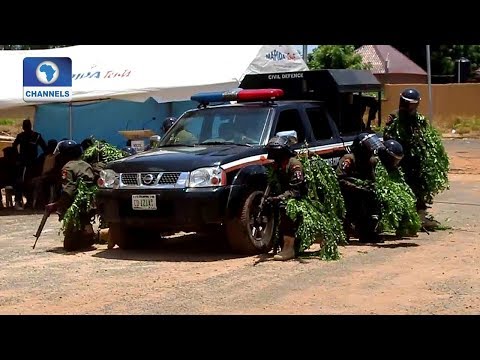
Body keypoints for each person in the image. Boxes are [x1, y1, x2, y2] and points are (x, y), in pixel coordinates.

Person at [383, 88, 449, 230]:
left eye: (414, 104)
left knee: (419, 187)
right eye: (409, 104)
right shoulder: (394, 117)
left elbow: (425, 137)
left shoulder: (419, 119)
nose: (412, 107)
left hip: (415, 161)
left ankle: (420, 216)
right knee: (402, 187)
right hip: (401, 161)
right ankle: (401, 218)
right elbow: (388, 140)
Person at [45, 140, 96, 251]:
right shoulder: (86, 164)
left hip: (78, 204)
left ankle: (84, 232)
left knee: (69, 246)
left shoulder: (67, 168)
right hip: (92, 202)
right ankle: (87, 230)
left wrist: (56, 205)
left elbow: (68, 191)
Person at [264, 135, 307, 261]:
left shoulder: (294, 165)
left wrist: (279, 197)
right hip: (285, 195)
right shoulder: (277, 166)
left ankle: (289, 248)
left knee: (286, 208)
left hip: (299, 197)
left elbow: (296, 190)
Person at [336, 132, 384, 243]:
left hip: (363, 192)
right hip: (347, 193)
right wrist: (357, 188)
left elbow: (372, 178)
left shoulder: (369, 160)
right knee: (351, 210)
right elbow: (340, 179)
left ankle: (367, 232)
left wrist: (372, 188)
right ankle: (345, 231)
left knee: (373, 206)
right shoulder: (349, 159)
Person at [12, 119, 47, 210]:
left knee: (29, 182)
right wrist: (18, 157)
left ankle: (28, 202)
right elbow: (14, 147)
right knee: (21, 182)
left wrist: (40, 159)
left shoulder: (36, 136)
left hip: (31, 163)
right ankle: (20, 201)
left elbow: (45, 148)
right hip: (25, 163)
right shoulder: (22, 136)